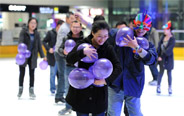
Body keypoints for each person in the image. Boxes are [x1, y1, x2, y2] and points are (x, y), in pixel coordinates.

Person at [65, 20, 122, 116]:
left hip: (98, 94)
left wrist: (106, 81)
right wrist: (82, 52)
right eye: (99, 36)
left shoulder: (108, 48)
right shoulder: (82, 44)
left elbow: (118, 67)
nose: (102, 39)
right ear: (93, 33)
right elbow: (69, 59)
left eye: (105, 36)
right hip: (82, 92)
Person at [107, 12, 157, 116]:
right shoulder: (120, 36)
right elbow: (102, 33)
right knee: (113, 113)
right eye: (138, 25)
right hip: (115, 83)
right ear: (133, 24)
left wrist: (138, 48)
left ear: (149, 28)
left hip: (134, 83)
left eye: (145, 27)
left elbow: (151, 60)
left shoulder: (146, 43)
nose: (141, 29)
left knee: (135, 112)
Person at [58, 20, 84, 115]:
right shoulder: (66, 38)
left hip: (82, 67)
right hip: (69, 66)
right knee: (68, 87)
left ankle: (81, 107)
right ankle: (68, 107)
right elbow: (59, 49)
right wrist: (63, 51)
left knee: (82, 88)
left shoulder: (84, 39)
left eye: (77, 27)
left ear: (81, 28)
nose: (76, 29)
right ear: (71, 27)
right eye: (74, 27)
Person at [17, 17, 46, 99]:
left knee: (32, 74)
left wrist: (43, 56)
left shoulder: (37, 33)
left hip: (33, 56)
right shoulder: (24, 32)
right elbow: (20, 41)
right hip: (23, 56)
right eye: (32, 23)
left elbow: (39, 46)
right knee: (22, 73)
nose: (33, 25)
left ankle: (31, 90)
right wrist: (21, 50)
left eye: (35, 23)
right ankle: (20, 89)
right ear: (28, 23)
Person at [54, 11, 76, 103]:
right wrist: (64, 55)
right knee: (62, 75)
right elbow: (61, 45)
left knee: (62, 75)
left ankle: (59, 94)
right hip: (60, 55)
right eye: (71, 18)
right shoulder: (64, 28)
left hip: (62, 54)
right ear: (67, 19)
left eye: (74, 18)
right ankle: (59, 95)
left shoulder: (68, 27)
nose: (73, 20)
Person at [42, 20, 64, 94]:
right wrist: (48, 49)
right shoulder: (50, 33)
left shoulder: (63, 34)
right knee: (53, 73)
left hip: (61, 57)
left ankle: (60, 89)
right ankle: (52, 89)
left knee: (60, 74)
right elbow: (44, 41)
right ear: (58, 26)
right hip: (52, 57)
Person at [156, 21, 175, 95]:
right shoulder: (162, 37)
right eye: (164, 29)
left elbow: (169, 50)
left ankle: (170, 87)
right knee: (161, 72)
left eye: (166, 29)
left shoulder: (172, 39)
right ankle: (158, 86)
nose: (164, 31)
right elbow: (159, 47)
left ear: (169, 30)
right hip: (161, 58)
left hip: (168, 59)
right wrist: (158, 56)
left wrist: (161, 57)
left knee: (169, 73)